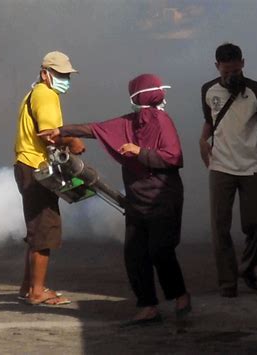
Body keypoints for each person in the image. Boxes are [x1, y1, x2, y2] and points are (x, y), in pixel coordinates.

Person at [38, 74, 191, 324]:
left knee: (160, 251)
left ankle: (180, 295)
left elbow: (173, 157)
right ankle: (148, 306)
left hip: (162, 197)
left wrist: (140, 151)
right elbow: (95, 129)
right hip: (137, 200)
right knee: (135, 254)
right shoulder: (130, 122)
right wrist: (61, 131)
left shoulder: (162, 122)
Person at [199, 43, 257, 298]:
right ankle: (227, 283)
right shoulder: (208, 90)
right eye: (226, 71)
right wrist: (202, 141)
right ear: (217, 66)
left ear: (243, 63)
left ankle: (247, 268)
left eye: (235, 70)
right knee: (220, 226)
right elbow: (211, 121)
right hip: (221, 167)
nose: (231, 76)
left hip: (251, 167)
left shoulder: (256, 91)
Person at [14, 51, 85, 305]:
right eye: (61, 74)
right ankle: (37, 292)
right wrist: (72, 140)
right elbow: (48, 134)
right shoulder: (45, 94)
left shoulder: (35, 93)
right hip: (37, 169)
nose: (65, 79)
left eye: (67, 75)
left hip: (28, 166)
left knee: (36, 230)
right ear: (45, 73)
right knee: (44, 230)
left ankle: (28, 287)